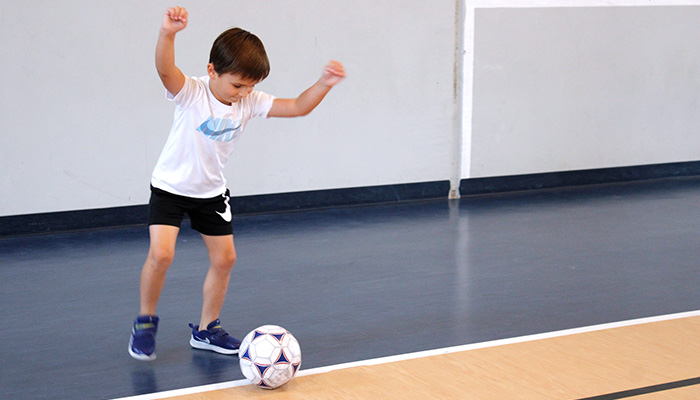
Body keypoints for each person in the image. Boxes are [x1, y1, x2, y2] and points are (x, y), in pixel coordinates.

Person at [128, 6, 345, 361]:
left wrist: (323, 84)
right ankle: (145, 322)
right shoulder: (192, 92)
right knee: (162, 254)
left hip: (210, 193)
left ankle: (206, 329)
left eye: (251, 86)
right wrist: (168, 33)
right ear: (212, 70)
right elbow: (165, 70)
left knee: (225, 259)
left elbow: (297, 107)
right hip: (170, 187)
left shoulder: (249, 101)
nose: (243, 93)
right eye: (237, 85)